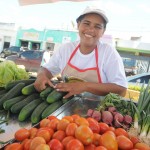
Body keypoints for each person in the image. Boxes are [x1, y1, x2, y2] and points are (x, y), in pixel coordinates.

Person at [34, 6, 127, 99]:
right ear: (78, 25)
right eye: (87, 24)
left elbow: (121, 90)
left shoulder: (108, 52)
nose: (91, 30)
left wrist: (85, 86)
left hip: (97, 110)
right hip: (65, 106)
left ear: (103, 32)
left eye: (97, 26)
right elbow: (47, 70)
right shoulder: (66, 49)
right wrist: (42, 75)